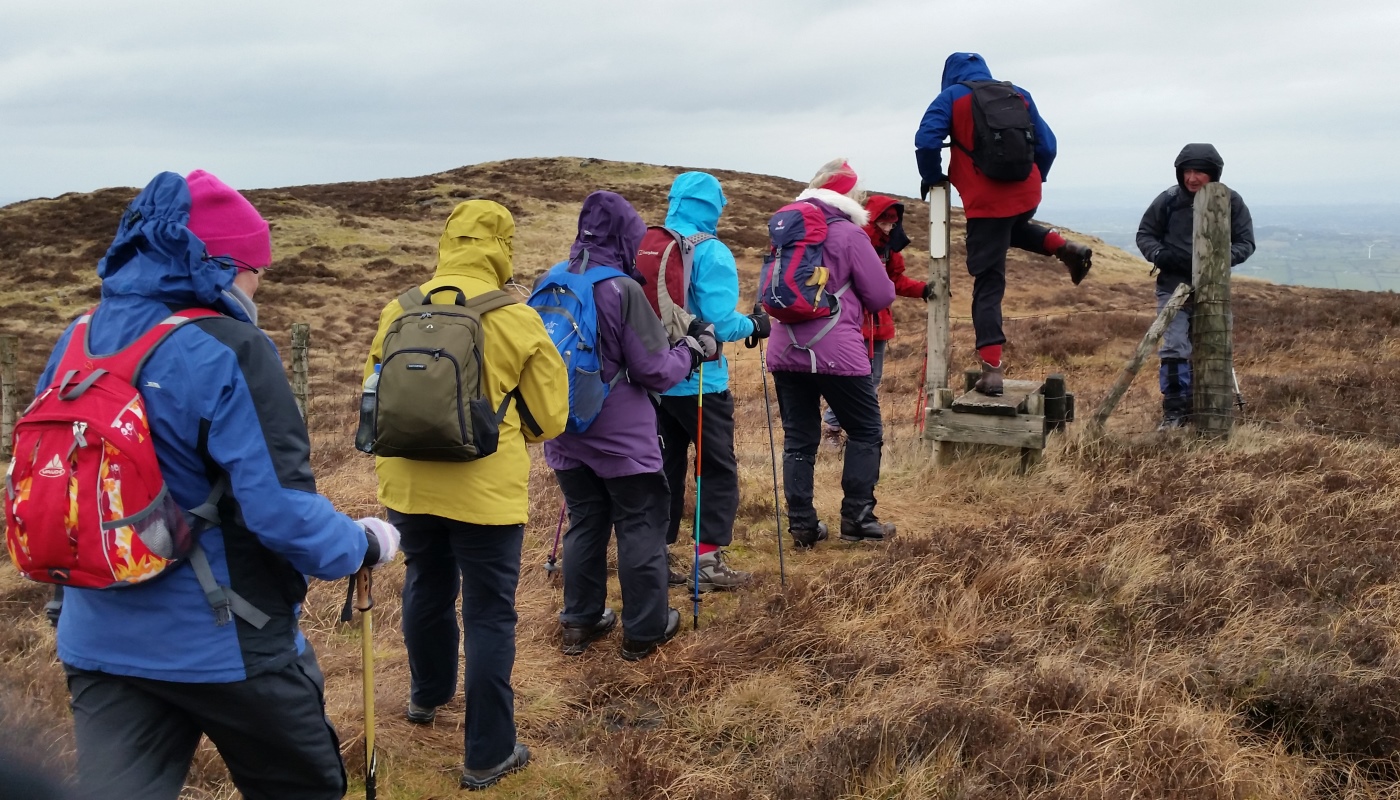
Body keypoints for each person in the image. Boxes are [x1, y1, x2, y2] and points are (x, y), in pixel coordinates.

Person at [38, 170, 399, 800]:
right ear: (226, 265)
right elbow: (281, 512)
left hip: (96, 637)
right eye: (258, 268)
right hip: (222, 641)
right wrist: (363, 545)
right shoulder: (231, 347)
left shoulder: (77, 337)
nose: (260, 283)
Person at [362, 200, 569, 789]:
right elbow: (551, 417)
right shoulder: (516, 317)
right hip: (486, 490)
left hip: (406, 483)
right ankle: (487, 752)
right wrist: (509, 432)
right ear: (503, 247)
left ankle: (426, 697)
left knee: (426, 584)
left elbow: (375, 396)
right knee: (488, 611)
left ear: (447, 240)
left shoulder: (397, 310)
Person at [544, 191, 714, 661]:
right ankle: (645, 630)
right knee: (640, 523)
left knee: (585, 520)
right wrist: (694, 350)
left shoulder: (552, 280)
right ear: (626, 236)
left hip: (564, 429)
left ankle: (579, 622)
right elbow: (655, 370)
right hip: (620, 438)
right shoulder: (622, 289)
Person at [914, 51, 1093, 396]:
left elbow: (926, 141)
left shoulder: (951, 97)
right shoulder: (1018, 93)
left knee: (988, 284)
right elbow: (1049, 145)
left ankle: (992, 371)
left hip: (985, 202)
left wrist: (933, 176)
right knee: (1012, 229)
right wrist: (1035, 178)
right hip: (1026, 192)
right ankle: (1065, 248)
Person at [766, 159, 896, 548]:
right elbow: (881, 294)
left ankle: (802, 527)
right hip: (836, 350)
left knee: (798, 438)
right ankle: (857, 519)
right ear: (848, 197)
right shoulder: (850, 234)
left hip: (784, 345)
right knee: (866, 430)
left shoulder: (784, 231)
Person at [655, 172, 770, 592]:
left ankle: (656, 556)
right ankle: (707, 560)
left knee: (662, 468)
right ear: (713, 206)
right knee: (716, 469)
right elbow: (721, 324)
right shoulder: (710, 251)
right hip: (701, 382)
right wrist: (755, 323)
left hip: (653, 379)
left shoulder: (652, 244)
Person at [1136, 143, 1256, 430]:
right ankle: (1175, 411)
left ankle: (1208, 410)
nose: (1192, 178)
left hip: (1214, 289)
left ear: (1213, 173)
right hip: (1172, 287)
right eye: (1187, 171)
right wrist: (1161, 256)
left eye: (1199, 171)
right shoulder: (1168, 200)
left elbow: (1246, 243)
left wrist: (1219, 259)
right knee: (1175, 347)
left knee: (1214, 348)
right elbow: (1145, 234)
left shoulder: (1230, 201)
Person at [822, 194, 931, 447]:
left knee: (872, 379)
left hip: (878, 325)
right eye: (886, 221)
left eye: (893, 222)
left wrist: (923, 289)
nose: (890, 227)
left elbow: (896, 281)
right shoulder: (854, 242)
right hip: (851, 323)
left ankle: (856, 431)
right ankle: (833, 428)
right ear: (874, 219)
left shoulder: (889, 249)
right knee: (849, 377)